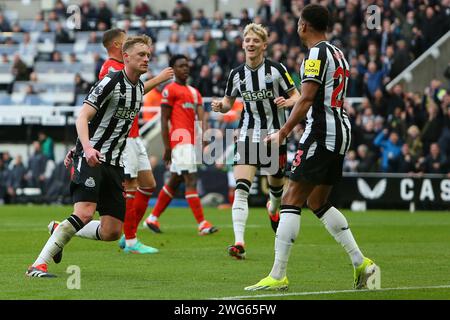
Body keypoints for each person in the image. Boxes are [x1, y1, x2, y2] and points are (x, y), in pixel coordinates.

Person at [245, 4, 379, 291]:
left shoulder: (316, 54)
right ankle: (362, 263)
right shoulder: (338, 52)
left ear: (304, 26)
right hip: (341, 130)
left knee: (291, 198)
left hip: (321, 132)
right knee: (317, 201)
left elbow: (305, 99)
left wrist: (282, 133)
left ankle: (278, 274)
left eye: (298, 23)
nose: (296, 27)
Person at [25, 35, 155, 278]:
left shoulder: (138, 88)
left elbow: (105, 124)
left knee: (112, 232)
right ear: (126, 57)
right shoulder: (110, 81)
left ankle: (57, 229)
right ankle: (37, 265)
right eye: (141, 55)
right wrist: (84, 148)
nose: (147, 59)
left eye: (148, 55)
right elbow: (83, 116)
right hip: (92, 158)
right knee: (84, 212)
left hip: (115, 164)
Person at [63, 28, 174, 255]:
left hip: (131, 134)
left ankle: (127, 233)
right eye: (125, 42)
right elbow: (93, 112)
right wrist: (159, 79)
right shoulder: (112, 70)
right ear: (117, 46)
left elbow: (136, 91)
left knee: (148, 183)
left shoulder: (126, 70)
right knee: (130, 186)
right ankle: (131, 239)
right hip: (117, 141)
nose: (131, 46)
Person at [211, 23, 300, 260]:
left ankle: (273, 208)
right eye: (247, 40)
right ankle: (239, 242)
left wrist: (287, 103)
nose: (250, 44)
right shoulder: (236, 74)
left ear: (264, 45)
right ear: (243, 44)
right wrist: (221, 106)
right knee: (242, 188)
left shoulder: (276, 70)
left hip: (274, 136)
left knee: (276, 188)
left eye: (255, 41)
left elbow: (298, 97)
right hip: (248, 134)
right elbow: (229, 103)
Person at [143, 54, 218, 236]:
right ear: (173, 70)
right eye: (180, 66)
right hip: (179, 142)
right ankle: (202, 223)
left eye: (187, 65)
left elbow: (201, 116)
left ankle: (152, 218)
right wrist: (167, 147)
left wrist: (205, 134)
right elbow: (163, 120)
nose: (185, 68)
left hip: (191, 142)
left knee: (175, 181)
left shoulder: (194, 92)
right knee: (191, 180)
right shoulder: (170, 90)